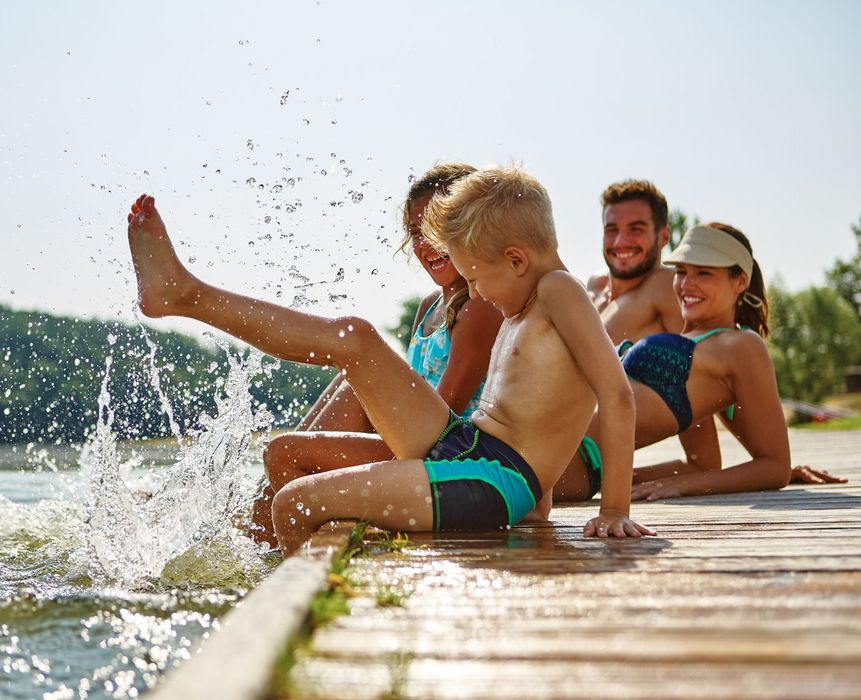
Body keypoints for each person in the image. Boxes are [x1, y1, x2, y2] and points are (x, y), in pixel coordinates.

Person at [126, 167, 655, 556]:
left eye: (476, 277)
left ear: (516, 259)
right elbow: (536, 405)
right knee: (356, 338)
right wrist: (539, 502)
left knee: (293, 503)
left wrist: (613, 511)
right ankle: (185, 294)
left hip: (492, 478)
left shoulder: (561, 291)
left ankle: (290, 624)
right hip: (470, 445)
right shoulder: (526, 300)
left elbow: (616, 394)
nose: (475, 292)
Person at [249, 163, 503, 547]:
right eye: (416, 233)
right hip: (415, 444)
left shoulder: (479, 306)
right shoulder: (429, 307)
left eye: (439, 227)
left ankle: (281, 571)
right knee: (350, 383)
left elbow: (443, 422)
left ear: (473, 227)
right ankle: (256, 546)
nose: (425, 244)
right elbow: (403, 394)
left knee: (285, 451)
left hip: (448, 460)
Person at [554, 223, 791, 503]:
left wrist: (683, 486)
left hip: (568, 460)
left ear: (740, 281)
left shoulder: (741, 346)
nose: (687, 284)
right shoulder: (692, 347)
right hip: (555, 445)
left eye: (704, 273)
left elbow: (775, 467)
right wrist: (631, 479)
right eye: (681, 272)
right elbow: (702, 463)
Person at [587, 180, 683, 344]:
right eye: (612, 230)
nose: (620, 242)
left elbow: (704, 361)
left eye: (635, 229)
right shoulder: (596, 284)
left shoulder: (669, 286)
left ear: (663, 237)